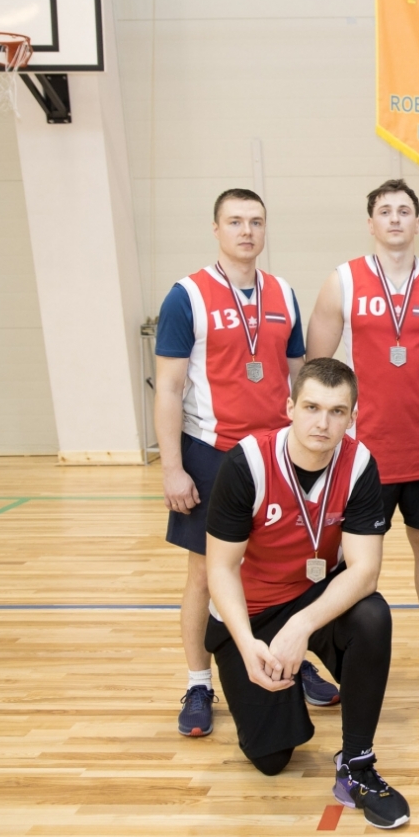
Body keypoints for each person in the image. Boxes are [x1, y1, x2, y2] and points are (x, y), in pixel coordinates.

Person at [154, 187, 337, 739]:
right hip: (213, 454)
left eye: (256, 222)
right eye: (235, 221)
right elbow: (168, 387)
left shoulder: (282, 292)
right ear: (216, 229)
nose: (247, 231)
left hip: (280, 456)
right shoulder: (186, 296)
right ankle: (197, 682)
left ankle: (289, 657)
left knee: (279, 569)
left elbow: (299, 375)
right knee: (204, 574)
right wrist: (171, 467)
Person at [202, 357, 408, 829]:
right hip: (249, 612)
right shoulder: (246, 463)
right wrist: (244, 641)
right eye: (312, 406)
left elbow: (365, 571)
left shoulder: (358, 463)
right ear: (289, 406)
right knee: (273, 759)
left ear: (353, 416)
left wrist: (301, 625)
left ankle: (357, 763)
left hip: (313, 602)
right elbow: (221, 569)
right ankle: (277, 677)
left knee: (373, 616)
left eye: (338, 411)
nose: (323, 422)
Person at [305, 179, 419, 691]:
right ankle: (347, 648)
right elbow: (319, 363)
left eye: (405, 211)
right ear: (371, 222)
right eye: (386, 211)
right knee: (356, 557)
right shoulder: (344, 281)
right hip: (362, 455)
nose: (396, 219)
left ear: (418, 222)